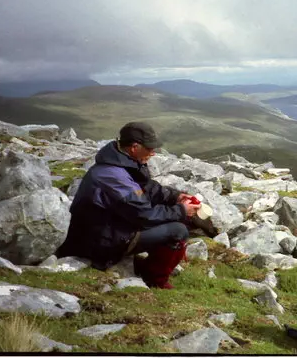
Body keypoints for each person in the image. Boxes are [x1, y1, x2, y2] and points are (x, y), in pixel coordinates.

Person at [56, 122, 200, 289]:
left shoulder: (123, 161)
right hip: (97, 243)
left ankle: (149, 265)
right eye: (150, 148)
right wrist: (181, 210)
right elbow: (144, 215)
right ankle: (155, 279)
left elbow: (146, 187)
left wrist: (175, 197)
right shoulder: (113, 176)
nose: (153, 153)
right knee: (178, 230)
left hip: (111, 228)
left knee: (177, 218)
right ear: (134, 147)